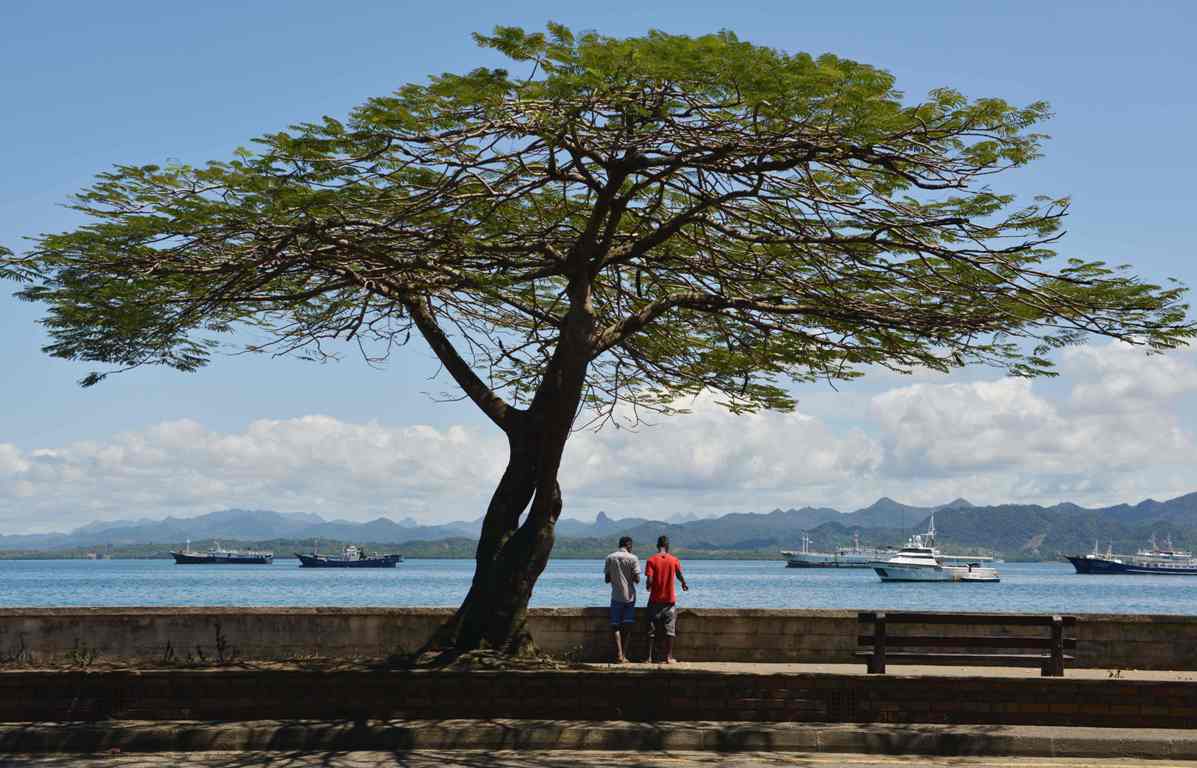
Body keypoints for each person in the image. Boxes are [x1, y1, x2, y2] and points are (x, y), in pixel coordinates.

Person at [644, 535, 689, 663]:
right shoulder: (674, 560)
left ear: (657, 546)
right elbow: (679, 574)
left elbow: (650, 580)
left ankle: (649, 657)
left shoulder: (651, 560)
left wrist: (648, 586)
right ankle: (668, 657)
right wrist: (683, 583)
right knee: (670, 630)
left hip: (654, 600)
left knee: (651, 630)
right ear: (667, 546)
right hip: (669, 601)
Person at [603, 535, 640, 663]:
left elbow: (607, 579)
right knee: (627, 627)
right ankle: (624, 655)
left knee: (616, 626)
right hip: (629, 597)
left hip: (616, 597)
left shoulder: (610, 557)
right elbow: (637, 580)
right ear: (628, 545)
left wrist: (616, 575)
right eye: (631, 545)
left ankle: (618, 654)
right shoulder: (633, 558)